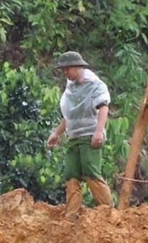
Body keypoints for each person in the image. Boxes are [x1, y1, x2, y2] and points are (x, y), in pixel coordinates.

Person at [47, 51, 113, 215]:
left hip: (89, 135)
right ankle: (72, 214)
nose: (65, 72)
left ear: (78, 67)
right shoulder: (71, 89)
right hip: (74, 137)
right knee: (71, 175)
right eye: (64, 69)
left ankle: (108, 212)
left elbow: (103, 107)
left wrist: (98, 132)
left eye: (68, 68)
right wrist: (57, 133)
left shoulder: (94, 84)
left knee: (91, 173)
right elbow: (69, 116)